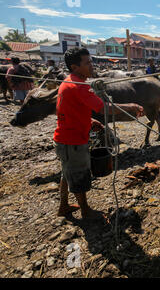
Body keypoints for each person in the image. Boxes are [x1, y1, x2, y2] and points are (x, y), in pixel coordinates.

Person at [53, 47, 144, 220]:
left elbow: (70, 111)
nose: (91, 66)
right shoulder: (78, 85)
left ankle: (63, 206)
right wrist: (131, 106)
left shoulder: (70, 81)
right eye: (87, 63)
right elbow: (104, 108)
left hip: (65, 139)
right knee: (79, 175)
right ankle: (86, 211)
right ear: (74, 67)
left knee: (67, 172)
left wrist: (89, 121)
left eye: (91, 61)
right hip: (72, 141)